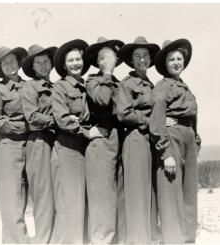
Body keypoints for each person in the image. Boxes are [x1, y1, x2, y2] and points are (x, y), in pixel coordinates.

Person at [51, 39, 105, 243]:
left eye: (78, 59)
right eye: (71, 60)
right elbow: (63, 119)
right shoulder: (60, 87)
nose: (75, 63)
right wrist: (86, 130)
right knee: (71, 200)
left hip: (87, 149)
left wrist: (82, 123)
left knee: (87, 199)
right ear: (64, 65)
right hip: (68, 148)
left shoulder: (88, 84)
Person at [149, 39, 202, 243]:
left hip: (188, 139)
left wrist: (195, 141)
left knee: (189, 193)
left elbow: (193, 116)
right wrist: (166, 153)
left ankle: (188, 238)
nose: (176, 62)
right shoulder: (163, 86)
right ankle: (173, 239)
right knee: (171, 196)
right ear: (165, 63)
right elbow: (156, 122)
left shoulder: (184, 86)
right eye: (172, 59)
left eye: (179, 58)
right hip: (172, 140)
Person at [115, 36, 160, 243]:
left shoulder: (152, 84)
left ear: (150, 59)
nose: (142, 60)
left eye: (145, 56)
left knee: (148, 190)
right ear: (131, 60)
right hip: (135, 139)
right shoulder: (127, 83)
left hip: (149, 139)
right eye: (137, 56)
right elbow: (123, 113)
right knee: (137, 191)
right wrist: (150, 120)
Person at [0, 46, 30, 243]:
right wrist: (22, 126)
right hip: (8, 148)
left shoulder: (30, 86)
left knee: (25, 197)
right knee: (11, 202)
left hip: (31, 146)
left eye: (13, 61)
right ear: (1, 67)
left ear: (19, 63)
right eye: (5, 62)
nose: (10, 65)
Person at [84, 37, 124, 243]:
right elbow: (102, 99)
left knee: (117, 195)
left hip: (120, 141)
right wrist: (107, 74)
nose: (107, 60)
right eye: (103, 57)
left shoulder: (120, 83)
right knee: (102, 197)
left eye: (111, 56)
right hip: (101, 143)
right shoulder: (92, 80)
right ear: (98, 62)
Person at [21, 44, 58, 244]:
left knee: (58, 194)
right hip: (39, 143)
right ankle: (43, 240)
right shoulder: (30, 87)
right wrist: (59, 120)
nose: (43, 66)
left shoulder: (56, 87)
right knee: (43, 197)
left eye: (46, 61)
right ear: (33, 67)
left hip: (58, 142)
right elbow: (33, 117)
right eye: (39, 63)